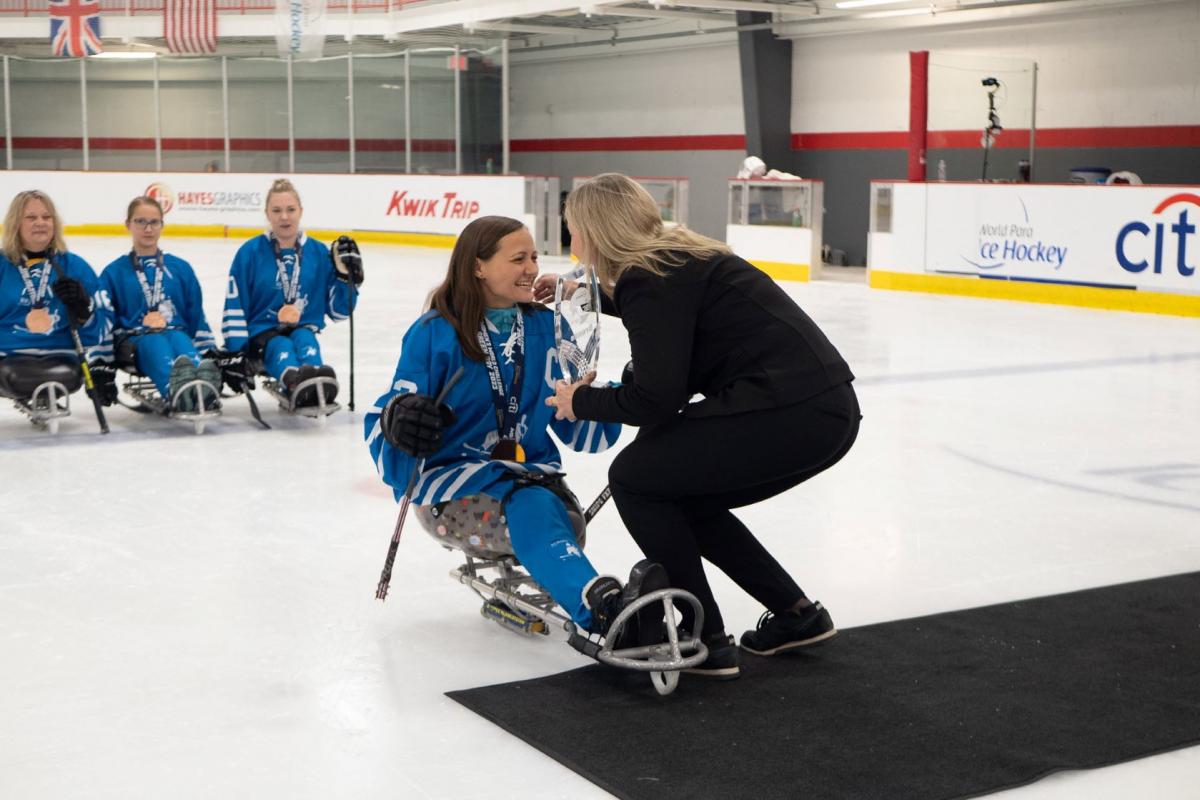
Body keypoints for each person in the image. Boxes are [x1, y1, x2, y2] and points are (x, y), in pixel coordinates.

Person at [542, 173, 861, 680]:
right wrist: (574, 290)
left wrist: (581, 401)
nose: (571, 242)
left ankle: (705, 639)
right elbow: (663, 326)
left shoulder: (650, 278)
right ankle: (796, 615)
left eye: (572, 230)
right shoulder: (674, 259)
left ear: (595, 230)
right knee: (684, 497)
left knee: (635, 479)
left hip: (788, 410)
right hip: (822, 409)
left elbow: (656, 399)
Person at [365, 215, 666, 642]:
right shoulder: (435, 332)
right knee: (537, 509)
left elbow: (576, 426)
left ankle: (600, 599)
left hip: (533, 484)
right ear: (478, 266)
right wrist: (399, 419)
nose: (531, 268)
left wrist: (628, 394)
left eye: (534, 257)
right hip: (453, 495)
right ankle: (604, 609)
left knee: (555, 512)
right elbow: (390, 412)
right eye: (518, 258)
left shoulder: (546, 327)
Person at [217, 178, 362, 408]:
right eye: (277, 210)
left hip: (303, 328)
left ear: (300, 211)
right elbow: (235, 304)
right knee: (280, 347)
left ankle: (316, 380)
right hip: (263, 334)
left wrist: (347, 280)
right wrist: (237, 351)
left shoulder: (318, 252)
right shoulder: (249, 253)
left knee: (306, 341)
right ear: (267, 213)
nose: (284, 217)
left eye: (290, 210)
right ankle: (296, 383)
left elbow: (339, 313)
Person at [99, 196, 220, 411]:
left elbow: (195, 315)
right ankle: (176, 391)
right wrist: (101, 363)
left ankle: (201, 386)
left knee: (182, 342)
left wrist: (208, 349)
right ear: (128, 225)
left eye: (154, 222)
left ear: (162, 225)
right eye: (140, 221)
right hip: (135, 340)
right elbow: (104, 321)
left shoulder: (181, 268)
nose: (148, 228)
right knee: (156, 344)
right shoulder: (113, 272)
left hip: (174, 332)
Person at [0, 189, 112, 406]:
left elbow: (104, 326)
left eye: (46, 217)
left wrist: (84, 310)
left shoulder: (74, 267)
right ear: (16, 224)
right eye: (31, 217)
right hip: (7, 356)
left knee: (65, 373)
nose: (40, 223)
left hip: (62, 356)